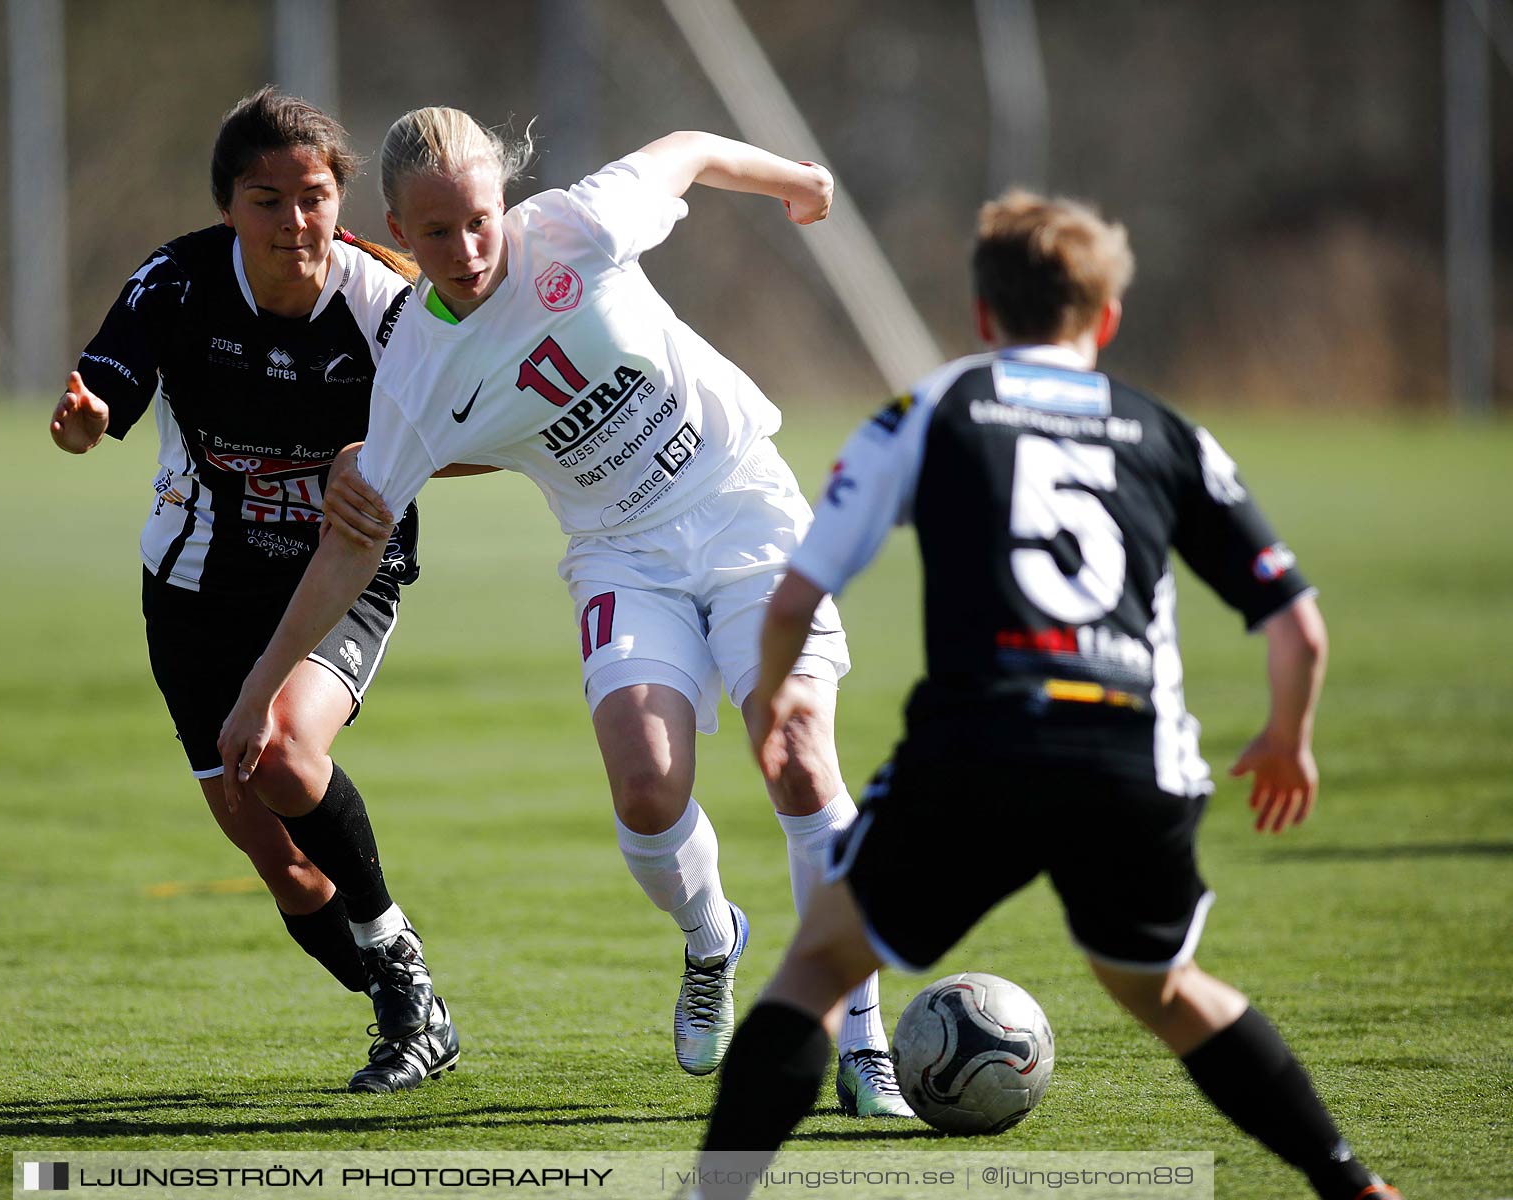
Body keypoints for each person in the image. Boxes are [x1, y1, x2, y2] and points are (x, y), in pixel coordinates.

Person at [690, 190, 1400, 1200]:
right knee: (1165, 989)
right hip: (1130, 757)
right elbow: (1300, 627)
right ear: (1106, 318)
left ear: (984, 315)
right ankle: (1350, 1180)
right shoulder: (1168, 433)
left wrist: (790, 698)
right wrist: (1289, 740)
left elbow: (798, 591)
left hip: (979, 743)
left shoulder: (935, 407)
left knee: (818, 967)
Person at [218, 108, 909, 1115]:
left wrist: (797, 181)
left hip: (744, 511)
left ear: (507, 200)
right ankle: (713, 939)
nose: (467, 249)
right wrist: (259, 689)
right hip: (622, 557)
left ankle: (863, 1044)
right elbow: (351, 544)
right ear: (398, 232)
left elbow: (689, 151)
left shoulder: (576, 228)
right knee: (645, 792)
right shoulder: (415, 367)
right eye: (438, 231)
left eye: (481, 218)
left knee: (799, 756)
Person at [48, 87, 460, 1094]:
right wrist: (88, 416)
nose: (294, 220)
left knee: (279, 748)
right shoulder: (178, 282)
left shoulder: (389, 303)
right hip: (193, 586)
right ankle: (406, 1006)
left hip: (342, 577)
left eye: (312, 195)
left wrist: (377, 460)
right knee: (282, 864)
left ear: (341, 199)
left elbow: (484, 433)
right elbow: (108, 385)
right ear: (229, 207)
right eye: (266, 200)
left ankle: (406, 984)